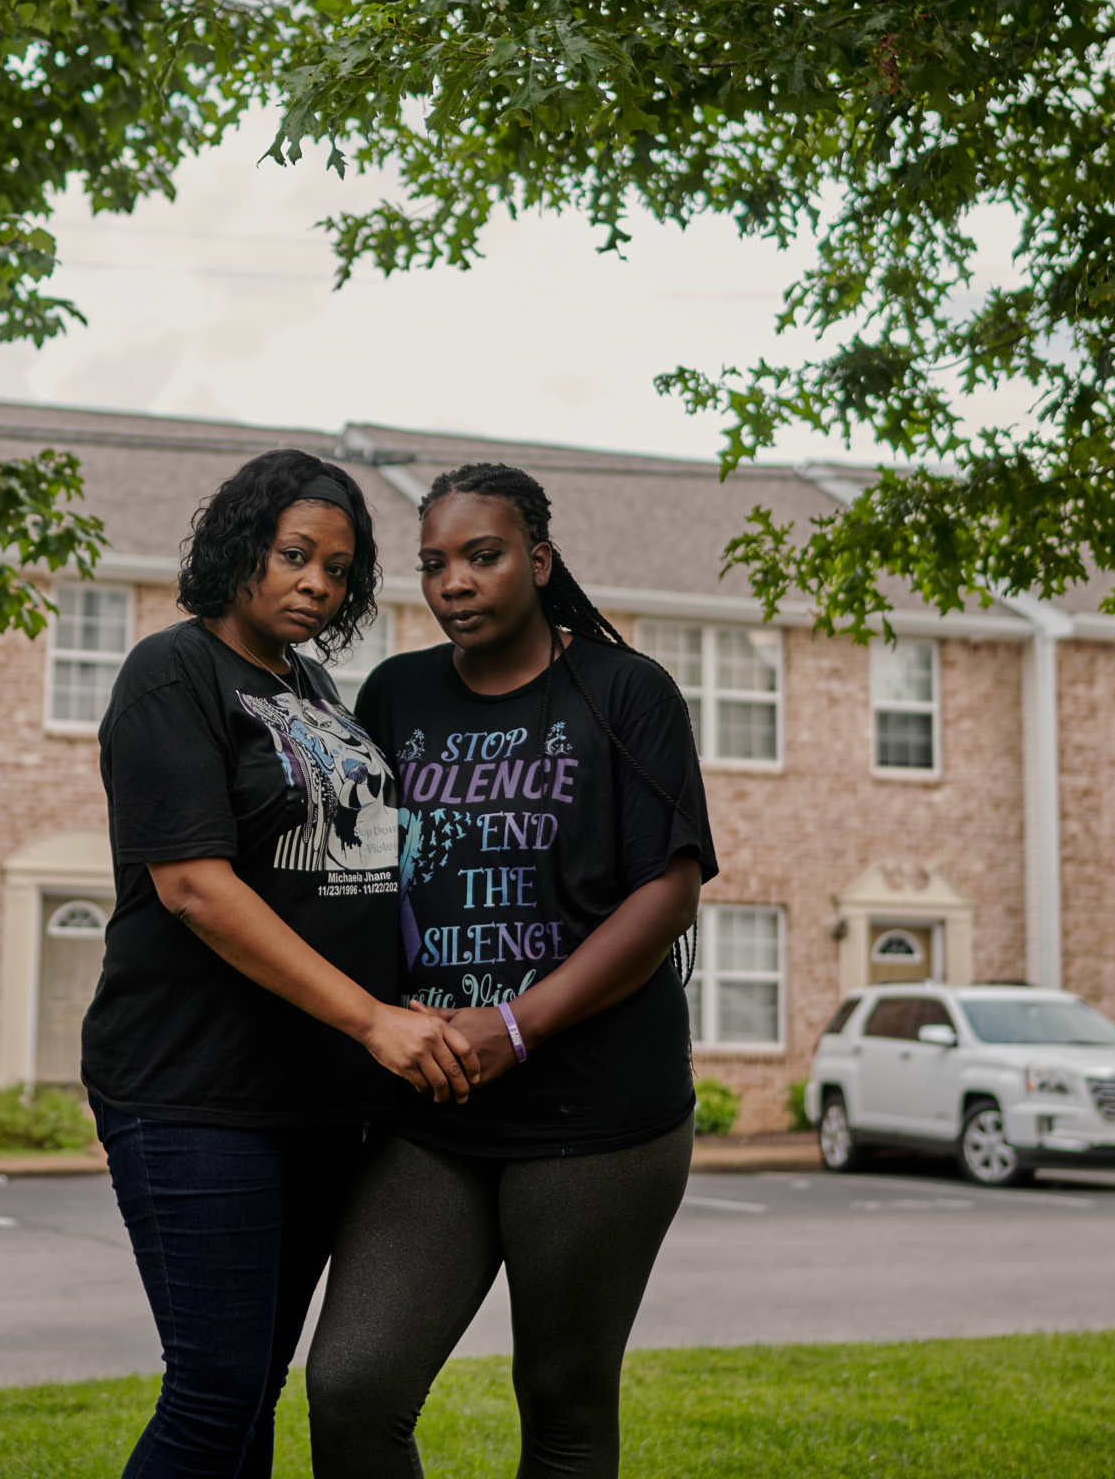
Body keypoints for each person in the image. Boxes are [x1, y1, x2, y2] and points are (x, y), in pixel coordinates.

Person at [307, 462, 717, 1479]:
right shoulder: (396, 694)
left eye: (482, 556)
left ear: (537, 560)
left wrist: (518, 1024)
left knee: (563, 1403)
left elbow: (667, 895)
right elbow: (365, 874)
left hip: (597, 1114)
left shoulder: (624, 691)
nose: (454, 581)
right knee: (353, 1385)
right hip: (434, 1107)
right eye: (434, 563)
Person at [83, 448, 479, 1478]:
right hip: (197, 1090)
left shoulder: (308, 685)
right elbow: (193, 886)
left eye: (337, 570)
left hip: (314, 1098)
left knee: (253, 1387)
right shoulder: (172, 672)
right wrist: (371, 1018)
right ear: (240, 547)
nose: (316, 583)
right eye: (294, 554)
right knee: (212, 1396)